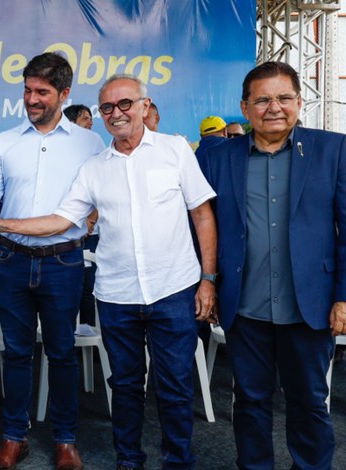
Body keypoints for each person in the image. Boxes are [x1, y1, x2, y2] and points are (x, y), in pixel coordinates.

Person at [0, 73, 218, 470]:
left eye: (125, 104)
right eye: (107, 107)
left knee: (174, 385)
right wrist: (1, 226)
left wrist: (208, 279)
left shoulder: (174, 150)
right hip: (116, 292)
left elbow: (202, 215)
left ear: (144, 106)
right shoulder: (95, 165)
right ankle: (128, 461)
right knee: (123, 386)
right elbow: (61, 218)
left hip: (172, 288)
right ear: (100, 113)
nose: (117, 114)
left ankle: (178, 462)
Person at [198, 61, 344, 470]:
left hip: (310, 306)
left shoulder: (334, 150)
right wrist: (207, 282)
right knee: (249, 401)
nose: (273, 107)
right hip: (245, 305)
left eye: (283, 98)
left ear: (299, 101)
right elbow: (200, 226)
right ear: (245, 108)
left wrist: (344, 298)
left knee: (310, 403)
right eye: (262, 100)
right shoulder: (217, 157)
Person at [0, 52, 105, 470]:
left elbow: (104, 196)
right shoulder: (4, 142)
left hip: (63, 264)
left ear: (64, 94)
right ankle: (14, 438)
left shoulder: (91, 143)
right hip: (12, 261)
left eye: (42, 92)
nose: (31, 99)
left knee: (62, 353)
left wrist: (94, 215)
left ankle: (66, 441)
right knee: (15, 353)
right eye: (27, 90)